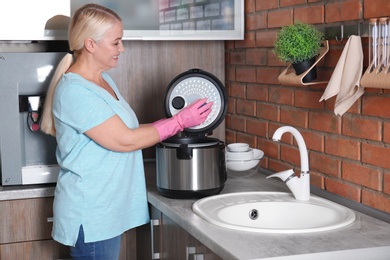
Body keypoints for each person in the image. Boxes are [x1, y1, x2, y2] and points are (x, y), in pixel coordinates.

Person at [40, 3, 213, 259]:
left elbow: (128, 129)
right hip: (92, 213)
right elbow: (125, 141)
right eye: (116, 42)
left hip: (107, 210)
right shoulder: (75, 91)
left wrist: (177, 120)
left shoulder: (102, 80)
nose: (122, 49)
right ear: (91, 44)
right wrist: (179, 121)